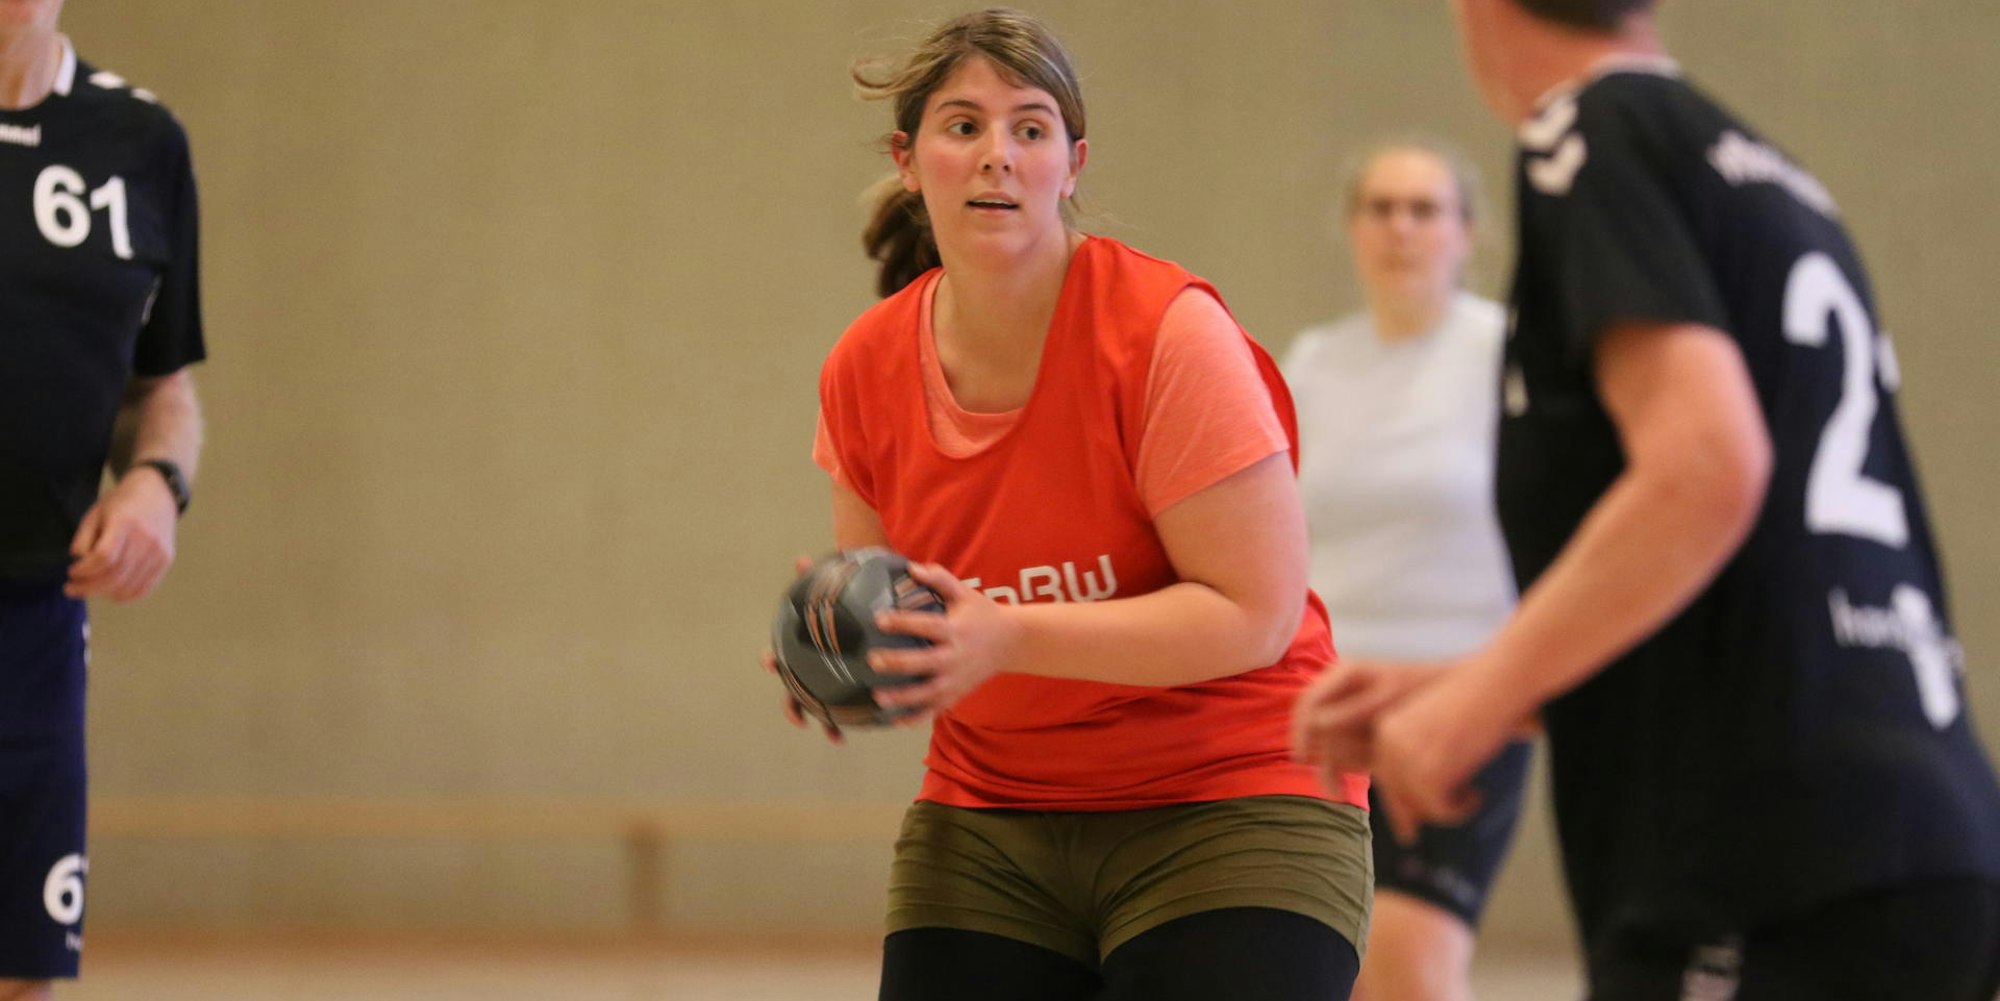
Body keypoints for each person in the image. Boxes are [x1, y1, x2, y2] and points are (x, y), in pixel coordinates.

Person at [1293, 1, 2000, 998]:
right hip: (1919, 832)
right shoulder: (1761, 170)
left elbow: (1705, 467)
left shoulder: (1585, 136)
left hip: (1759, 864)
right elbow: (1743, 597)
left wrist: (1471, 707)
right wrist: (1457, 683)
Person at [790, 8, 1372, 999]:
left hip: (1227, 795)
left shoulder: (1163, 332)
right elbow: (898, 602)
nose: (996, 157)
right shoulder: (864, 365)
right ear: (907, 156)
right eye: (962, 125)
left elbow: (1254, 612)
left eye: (1028, 128)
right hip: (991, 813)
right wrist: (852, 657)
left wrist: (1006, 634)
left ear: (1071, 163)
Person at [1282, 139, 1524, 1001]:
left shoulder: (1510, 357)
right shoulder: (1311, 362)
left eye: (1425, 209)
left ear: (1467, 231)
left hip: (1462, 693)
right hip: (1326, 700)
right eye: (1380, 208)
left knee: (1414, 966)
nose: (1401, 229)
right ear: (1351, 229)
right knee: (1325, 968)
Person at [1, 0, 207, 996]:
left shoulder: (138, 144)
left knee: (23, 960)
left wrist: (154, 485)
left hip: (36, 617)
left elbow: (161, 390)